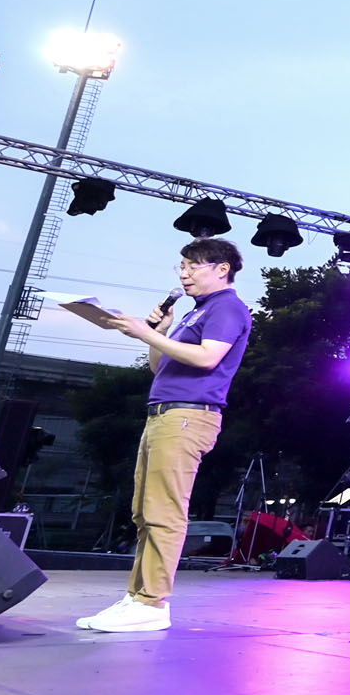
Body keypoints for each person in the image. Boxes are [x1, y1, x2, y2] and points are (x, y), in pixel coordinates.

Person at [78, 237, 253, 632]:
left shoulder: (227, 307)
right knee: (144, 511)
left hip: (188, 417)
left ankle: (153, 603)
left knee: (164, 511)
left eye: (193, 266)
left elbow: (208, 358)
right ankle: (136, 597)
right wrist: (162, 331)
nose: (184, 273)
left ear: (221, 269)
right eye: (182, 266)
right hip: (162, 414)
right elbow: (160, 367)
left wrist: (145, 333)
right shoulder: (197, 311)